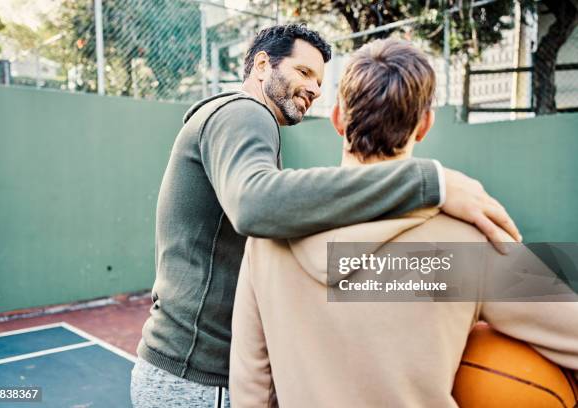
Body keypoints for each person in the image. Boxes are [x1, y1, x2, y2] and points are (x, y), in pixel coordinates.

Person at [131, 24, 520, 407]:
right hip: (197, 378)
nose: (315, 88)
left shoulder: (246, 149)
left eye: (320, 81)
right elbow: (254, 205)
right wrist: (428, 182)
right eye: (304, 72)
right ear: (262, 65)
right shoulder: (243, 112)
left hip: (186, 370)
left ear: (337, 120)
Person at [229, 38, 578, 407]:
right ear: (425, 124)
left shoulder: (266, 242)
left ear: (337, 119)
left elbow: (251, 392)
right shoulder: (471, 242)